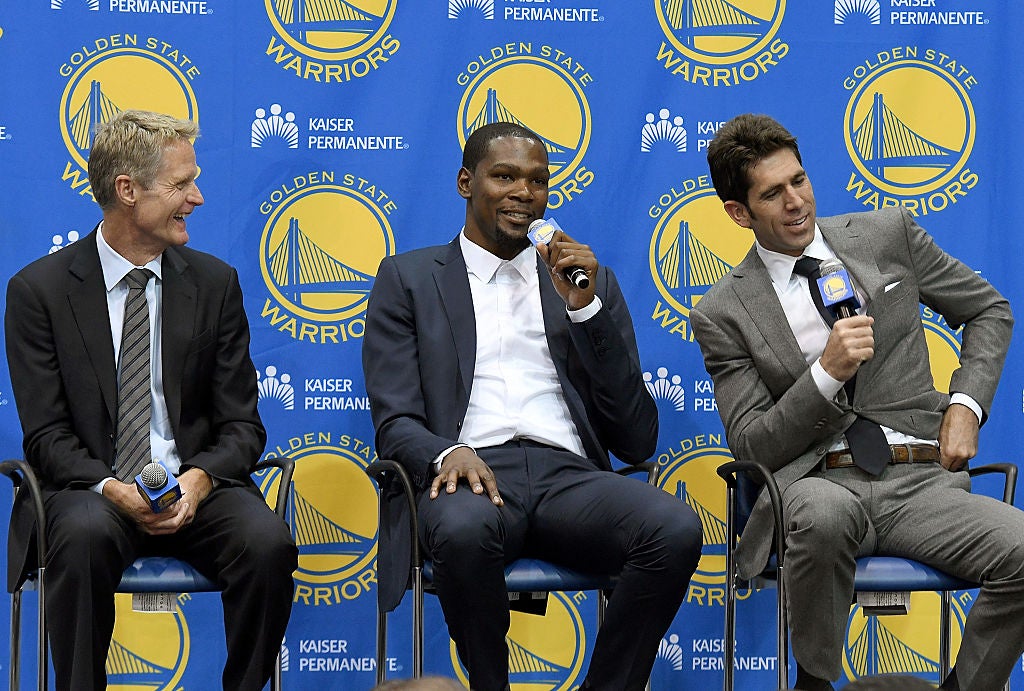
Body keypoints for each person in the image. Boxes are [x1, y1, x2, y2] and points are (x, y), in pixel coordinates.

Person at [362, 121, 703, 691]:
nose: (525, 192)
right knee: (462, 529)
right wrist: (450, 452)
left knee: (672, 526)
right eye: (505, 176)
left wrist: (585, 311)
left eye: (539, 181)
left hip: (568, 477)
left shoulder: (587, 283)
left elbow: (637, 438)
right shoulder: (409, 279)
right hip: (469, 476)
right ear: (466, 183)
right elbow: (395, 421)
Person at [690, 112, 1024, 691]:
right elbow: (752, 444)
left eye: (799, 180)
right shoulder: (722, 311)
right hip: (821, 481)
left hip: (921, 482)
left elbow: (988, 310)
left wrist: (966, 405)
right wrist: (825, 373)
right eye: (773, 193)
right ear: (738, 213)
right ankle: (815, 683)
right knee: (820, 516)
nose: (796, 202)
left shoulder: (887, 234)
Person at [4, 110, 298, 690]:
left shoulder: (215, 284)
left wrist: (199, 481)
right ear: (127, 191)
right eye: (181, 184)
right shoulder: (38, 292)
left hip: (194, 486)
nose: (199, 197)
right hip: (93, 490)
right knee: (83, 539)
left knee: (267, 546)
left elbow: (242, 426)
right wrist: (113, 488)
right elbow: (46, 436)